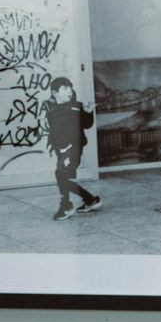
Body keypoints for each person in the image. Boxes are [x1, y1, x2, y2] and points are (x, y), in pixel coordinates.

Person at [42, 76, 101, 220]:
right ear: (55, 92)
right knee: (65, 178)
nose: (69, 91)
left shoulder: (77, 106)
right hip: (59, 148)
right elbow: (49, 125)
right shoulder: (48, 106)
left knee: (60, 174)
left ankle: (66, 206)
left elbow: (87, 125)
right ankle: (90, 200)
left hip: (74, 147)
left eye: (70, 88)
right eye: (65, 88)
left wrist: (88, 112)